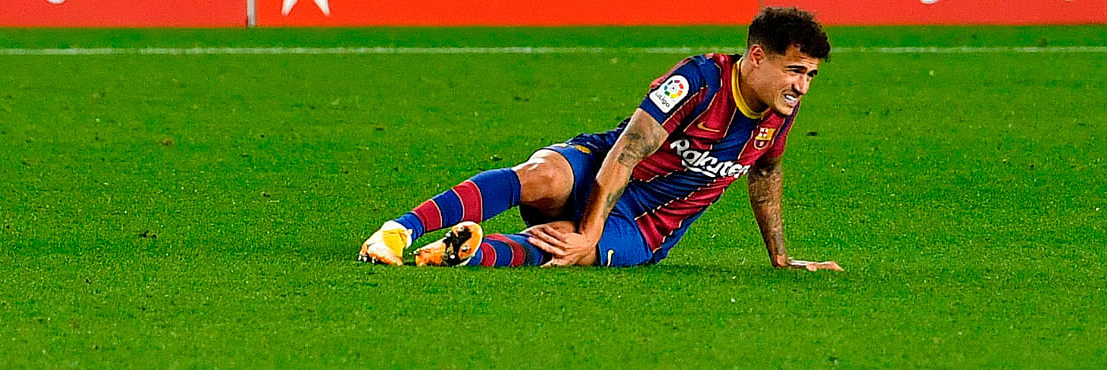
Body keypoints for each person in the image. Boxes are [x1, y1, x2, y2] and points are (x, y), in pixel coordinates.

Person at [358, 6, 843, 272]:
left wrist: (780, 256)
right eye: (794, 70)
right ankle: (398, 231)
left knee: (572, 250)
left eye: (811, 76)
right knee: (542, 175)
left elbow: (766, 171)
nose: (801, 86)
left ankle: (462, 252)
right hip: (601, 166)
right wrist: (591, 224)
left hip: (649, 226)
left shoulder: (779, 111)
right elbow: (629, 149)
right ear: (757, 57)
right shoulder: (699, 80)